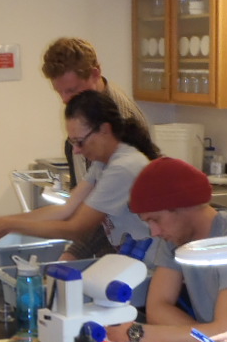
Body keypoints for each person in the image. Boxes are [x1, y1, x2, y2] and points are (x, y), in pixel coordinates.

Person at [0, 89, 158, 258]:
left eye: (80, 142)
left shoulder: (123, 167)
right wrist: (3, 221)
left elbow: (74, 228)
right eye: (72, 142)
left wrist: (10, 225)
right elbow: (65, 210)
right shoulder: (104, 162)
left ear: (104, 130)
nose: (76, 151)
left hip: (151, 261)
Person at [103, 157, 227, 342]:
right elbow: (157, 309)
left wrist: (135, 333)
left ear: (184, 207)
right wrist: (201, 339)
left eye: (156, 219)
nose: (154, 232)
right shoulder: (176, 238)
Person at [41, 37, 151, 259]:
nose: (64, 100)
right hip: (107, 235)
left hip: (128, 244)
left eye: (71, 90)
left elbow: (104, 212)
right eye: (59, 92)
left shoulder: (121, 123)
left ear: (95, 73)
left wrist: (73, 253)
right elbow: (83, 199)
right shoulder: (88, 115)